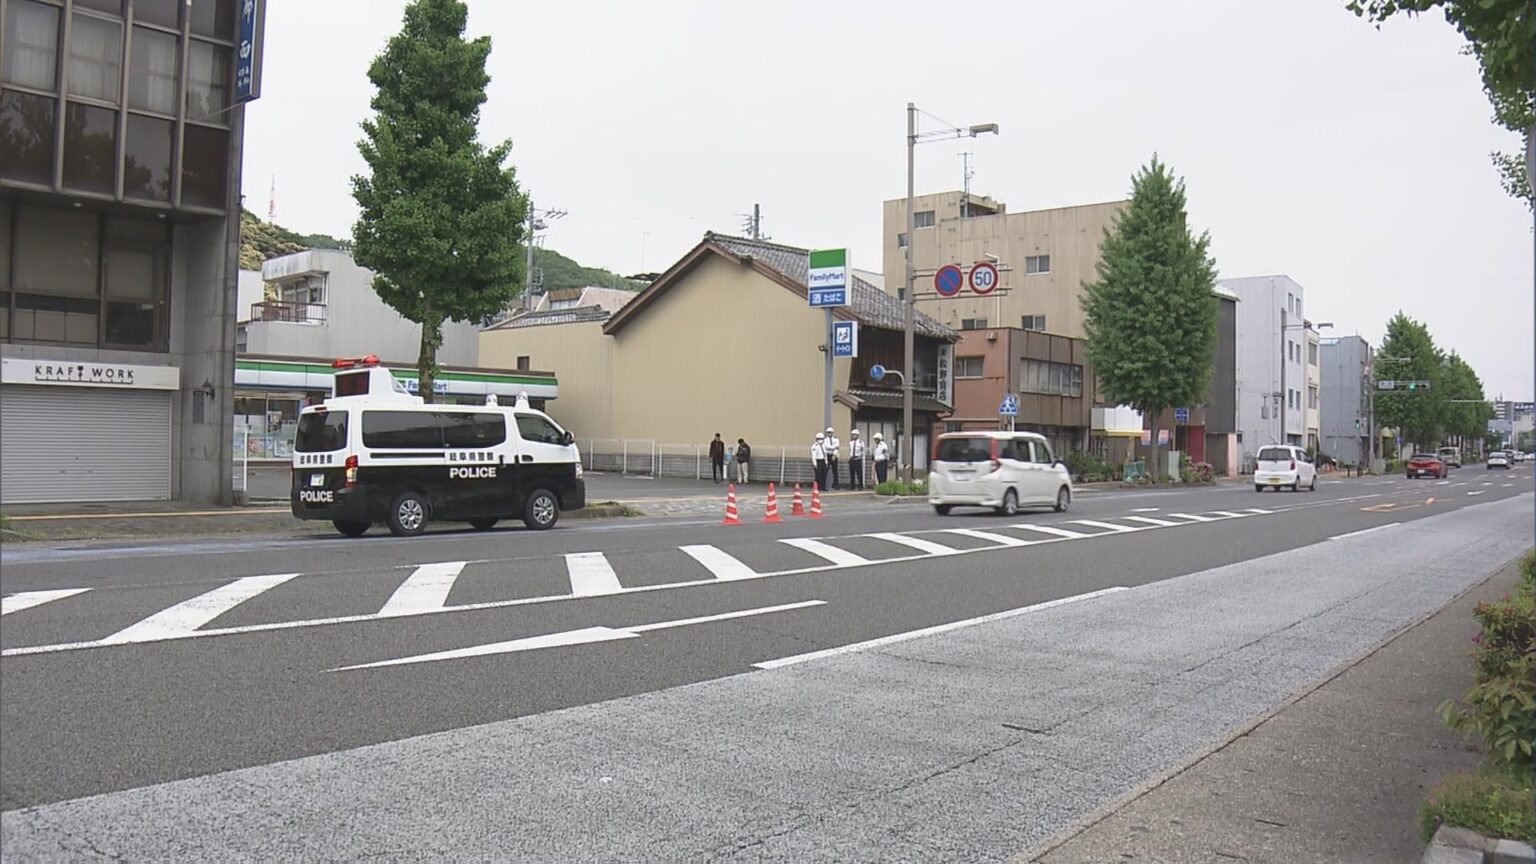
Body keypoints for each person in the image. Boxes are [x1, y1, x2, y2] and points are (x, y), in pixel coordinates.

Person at [824, 426, 841, 490]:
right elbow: (826, 447)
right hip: (827, 455)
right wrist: (833, 447)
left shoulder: (836, 439)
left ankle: (836, 485)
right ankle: (824, 485)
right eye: (828, 432)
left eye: (830, 432)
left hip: (834, 455)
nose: (829, 434)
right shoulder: (825, 440)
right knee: (825, 470)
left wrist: (834, 454)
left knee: (835, 471)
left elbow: (837, 447)